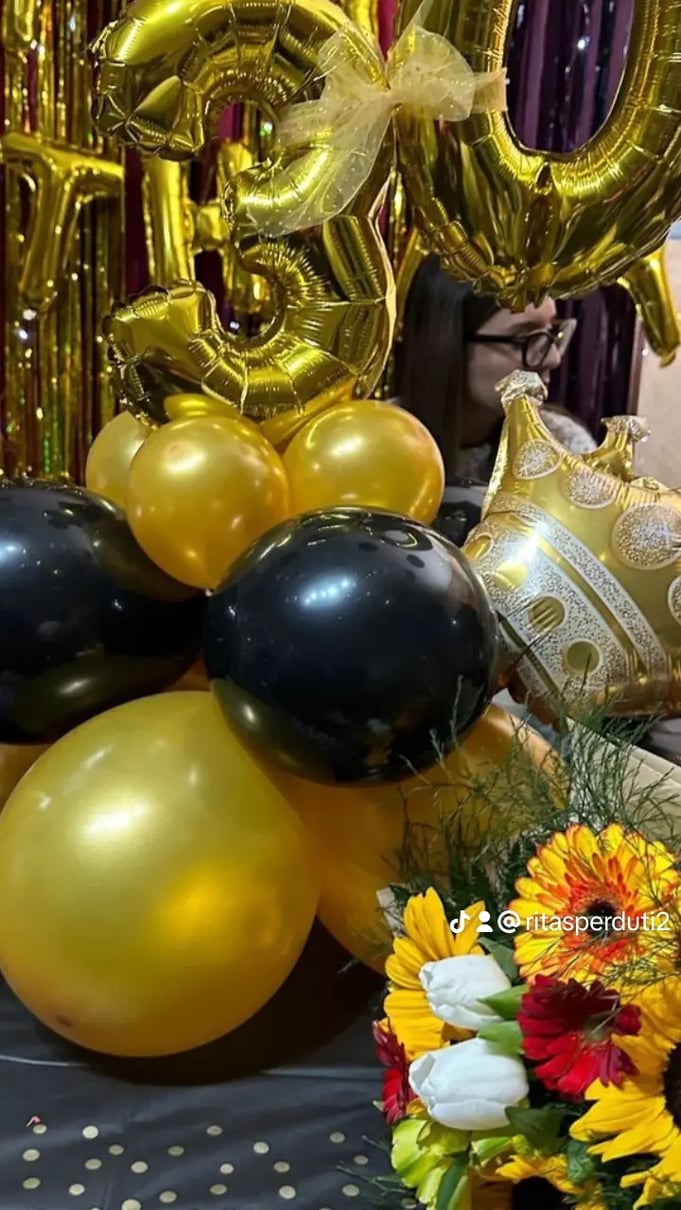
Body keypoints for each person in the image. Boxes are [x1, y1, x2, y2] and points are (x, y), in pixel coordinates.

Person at [394, 253, 596, 487]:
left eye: (552, 332)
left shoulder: (565, 448)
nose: (553, 359)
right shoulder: (382, 441)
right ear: (447, 345)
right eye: (523, 338)